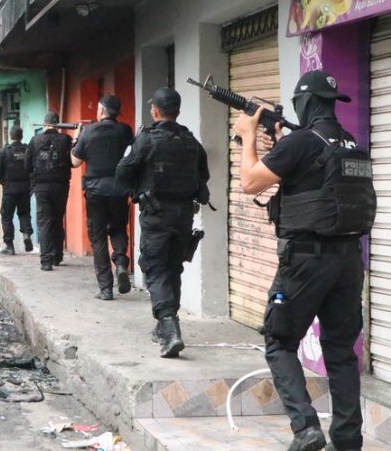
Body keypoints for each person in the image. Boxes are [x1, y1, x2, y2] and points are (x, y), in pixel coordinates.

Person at [233, 70, 374, 451]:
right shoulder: (350, 144)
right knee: (342, 351)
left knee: (280, 342)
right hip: (347, 262)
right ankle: (347, 440)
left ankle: (306, 427)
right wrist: (282, 142)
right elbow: (315, 179)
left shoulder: (299, 143)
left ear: (303, 103)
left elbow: (250, 183)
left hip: (305, 262)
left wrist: (247, 138)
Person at [116, 87, 210, 358]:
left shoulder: (146, 140)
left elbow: (122, 173)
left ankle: (169, 327)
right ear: (177, 111)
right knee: (173, 268)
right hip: (183, 217)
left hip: (156, 216)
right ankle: (163, 326)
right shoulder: (191, 142)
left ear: (155, 111)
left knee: (155, 269)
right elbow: (203, 176)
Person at [71, 95, 134, 300]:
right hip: (119, 190)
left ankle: (106, 289)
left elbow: (75, 162)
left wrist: (76, 138)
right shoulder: (125, 131)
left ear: (101, 110)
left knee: (97, 238)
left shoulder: (88, 132)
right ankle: (122, 263)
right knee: (118, 228)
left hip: (95, 192)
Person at [25, 112, 73, 271]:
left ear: (44, 124)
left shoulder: (35, 140)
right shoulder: (65, 140)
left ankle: (46, 260)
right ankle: (57, 256)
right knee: (58, 219)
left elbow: (27, 165)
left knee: (44, 221)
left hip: (41, 187)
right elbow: (72, 161)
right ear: (57, 124)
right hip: (61, 187)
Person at [0, 126, 34, 255]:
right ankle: (26, 235)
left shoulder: (5, 151)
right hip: (25, 189)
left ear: (11, 136)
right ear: (21, 136)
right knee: (24, 213)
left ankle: (10, 246)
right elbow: (32, 168)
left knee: (6, 216)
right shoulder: (27, 150)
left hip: (9, 190)